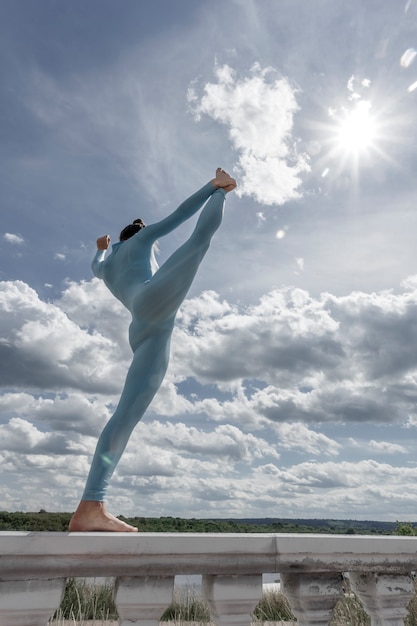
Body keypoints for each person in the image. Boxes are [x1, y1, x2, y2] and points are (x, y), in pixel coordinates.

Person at [69, 168, 237, 532]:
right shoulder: (142, 241)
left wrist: (99, 249)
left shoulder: (108, 264)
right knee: (197, 244)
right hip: (151, 304)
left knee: (125, 416)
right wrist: (214, 187)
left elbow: (95, 266)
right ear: (141, 233)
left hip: (141, 328)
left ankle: (90, 505)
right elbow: (178, 216)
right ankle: (225, 192)